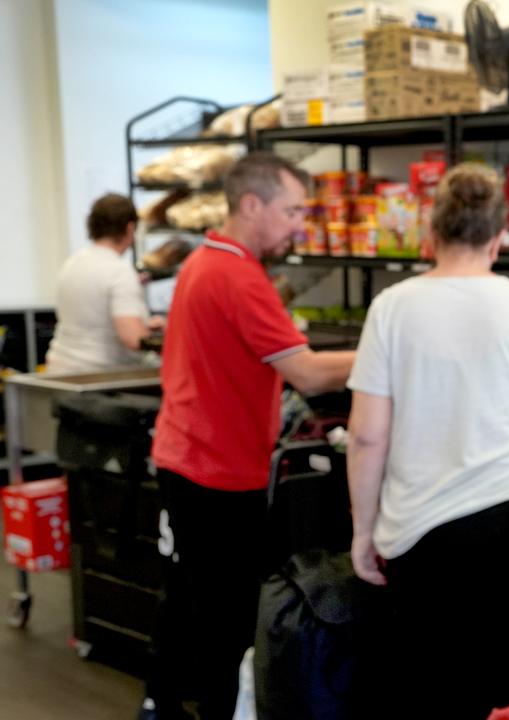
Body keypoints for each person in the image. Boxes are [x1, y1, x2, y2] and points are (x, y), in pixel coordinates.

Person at [346, 163, 509, 718]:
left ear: (432, 234)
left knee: (435, 689)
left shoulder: (392, 307)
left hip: (425, 534)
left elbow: (366, 435)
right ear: (499, 238)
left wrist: (362, 531)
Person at [143, 153, 356, 719]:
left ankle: (161, 703)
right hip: (215, 470)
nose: (298, 224)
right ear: (251, 204)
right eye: (290, 211)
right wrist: (389, 351)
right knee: (228, 612)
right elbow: (307, 372)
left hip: (187, 455)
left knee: (191, 596)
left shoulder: (202, 260)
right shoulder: (237, 274)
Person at [46, 193, 160, 373]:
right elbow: (133, 339)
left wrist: (143, 324)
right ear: (130, 228)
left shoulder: (72, 263)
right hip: (99, 378)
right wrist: (165, 338)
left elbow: (94, 319)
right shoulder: (119, 271)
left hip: (60, 370)